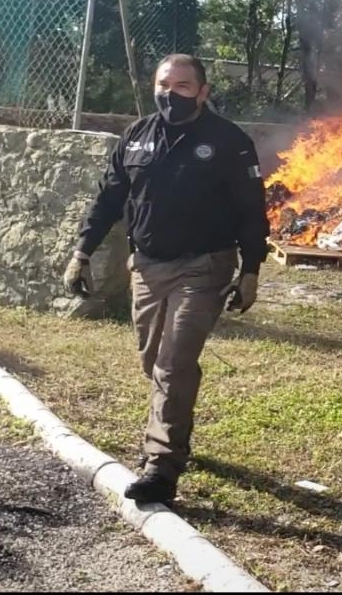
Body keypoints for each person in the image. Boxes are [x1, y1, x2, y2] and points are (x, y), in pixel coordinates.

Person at [62, 54, 269, 504]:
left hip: (205, 266)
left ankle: (161, 467)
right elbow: (109, 198)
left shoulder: (229, 142)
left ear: (203, 92)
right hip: (149, 268)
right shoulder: (136, 137)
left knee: (173, 363)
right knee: (153, 360)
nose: (170, 94)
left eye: (182, 86)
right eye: (163, 84)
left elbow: (252, 209)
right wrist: (81, 252)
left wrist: (251, 269)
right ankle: (176, 434)